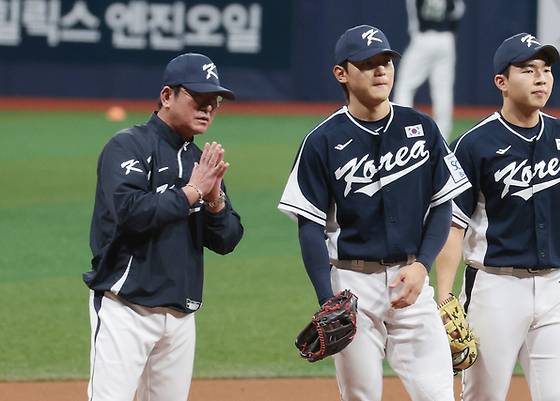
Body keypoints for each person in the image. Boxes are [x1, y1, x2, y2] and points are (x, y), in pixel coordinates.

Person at [278, 25, 471, 401]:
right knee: (360, 396)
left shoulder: (421, 128)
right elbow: (309, 227)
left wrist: (422, 266)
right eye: (368, 64)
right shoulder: (322, 140)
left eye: (385, 62)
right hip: (353, 288)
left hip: (413, 282)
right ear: (342, 74)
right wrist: (327, 300)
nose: (381, 70)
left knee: (439, 395)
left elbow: (442, 204)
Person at [435, 33, 560, 401]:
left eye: (546, 70)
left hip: (554, 290)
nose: (541, 79)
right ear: (502, 81)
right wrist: (445, 294)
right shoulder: (473, 144)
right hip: (494, 289)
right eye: (528, 71)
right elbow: (454, 224)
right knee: (483, 397)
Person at [83, 52, 244, 401]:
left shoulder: (200, 162)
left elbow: (228, 238)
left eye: (214, 102)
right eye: (198, 99)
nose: (208, 109)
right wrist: (191, 193)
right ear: (167, 96)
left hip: (180, 318)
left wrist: (214, 200)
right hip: (125, 308)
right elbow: (130, 213)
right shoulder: (128, 145)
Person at [393, 0, 466, 141]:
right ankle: (442, 135)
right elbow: (458, 10)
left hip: (423, 37)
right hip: (446, 38)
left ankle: (399, 127)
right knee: (443, 89)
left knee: (405, 86)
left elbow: (413, 17)